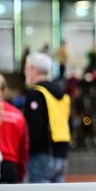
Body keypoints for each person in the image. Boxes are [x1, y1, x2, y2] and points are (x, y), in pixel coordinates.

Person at [22, 52, 72, 183]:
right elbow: (69, 123)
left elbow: (34, 128)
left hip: (42, 155)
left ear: (34, 70)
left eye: (26, 68)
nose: (25, 72)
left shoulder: (36, 94)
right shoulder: (63, 94)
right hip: (61, 155)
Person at [0, 72, 29, 183]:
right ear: (5, 90)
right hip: (11, 168)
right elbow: (24, 150)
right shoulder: (18, 115)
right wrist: (21, 175)